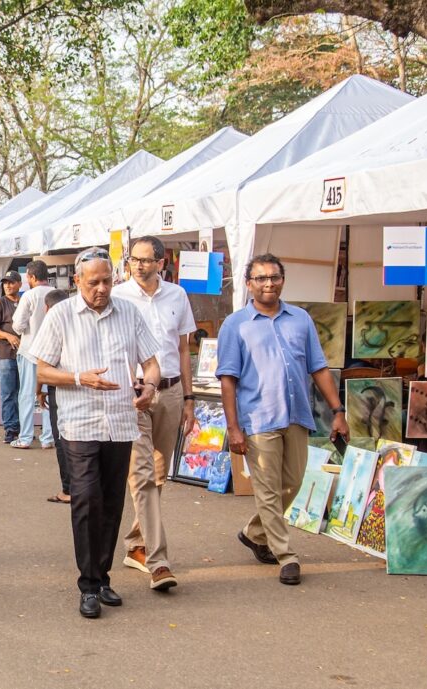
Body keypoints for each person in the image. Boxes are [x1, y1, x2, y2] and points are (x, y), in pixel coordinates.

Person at [30, 248, 161, 620]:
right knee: (86, 500)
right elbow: (41, 371)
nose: (101, 289)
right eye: (93, 283)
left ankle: (103, 576)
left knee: (111, 502)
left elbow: (151, 362)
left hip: (120, 423)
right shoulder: (60, 316)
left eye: (107, 281)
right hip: (78, 423)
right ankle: (88, 584)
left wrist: (149, 387)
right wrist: (78, 378)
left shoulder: (129, 313)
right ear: (77, 282)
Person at [216, 253, 347, 586]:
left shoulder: (300, 318)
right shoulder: (236, 325)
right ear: (248, 284)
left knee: (294, 482)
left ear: (282, 280)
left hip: (296, 414)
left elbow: (318, 367)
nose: (268, 283)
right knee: (268, 490)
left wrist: (338, 411)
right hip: (258, 419)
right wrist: (233, 428)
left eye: (274, 277)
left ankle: (253, 532)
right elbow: (228, 379)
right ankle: (286, 555)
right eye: (260, 278)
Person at [112, 236, 196, 591]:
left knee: (159, 476)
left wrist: (189, 399)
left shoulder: (177, 296)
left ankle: (135, 544)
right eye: (134, 260)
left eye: (146, 260)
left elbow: (182, 347)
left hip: (172, 391)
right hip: (134, 395)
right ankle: (158, 561)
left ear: (162, 262)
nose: (139, 266)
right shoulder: (117, 296)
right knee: (142, 474)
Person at [11, 260, 55, 450]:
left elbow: (18, 325)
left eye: (28, 277)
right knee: (47, 395)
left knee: (27, 395)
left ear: (33, 277)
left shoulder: (29, 296)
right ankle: (48, 437)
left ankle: (26, 436)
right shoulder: (56, 294)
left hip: (30, 351)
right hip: (52, 354)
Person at [40, 289, 71, 505]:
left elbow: (43, 365)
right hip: (79, 385)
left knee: (61, 438)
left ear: (47, 308)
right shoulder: (78, 320)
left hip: (58, 386)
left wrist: (38, 389)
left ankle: (68, 489)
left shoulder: (52, 323)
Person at [0, 271, 23, 444]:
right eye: (5, 283)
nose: (8, 285)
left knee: (24, 393)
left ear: (20, 284)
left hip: (25, 354)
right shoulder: (0, 304)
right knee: (9, 392)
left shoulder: (25, 301)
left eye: (11, 282)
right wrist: (8, 336)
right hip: (5, 354)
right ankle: (11, 428)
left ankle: (23, 427)